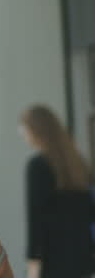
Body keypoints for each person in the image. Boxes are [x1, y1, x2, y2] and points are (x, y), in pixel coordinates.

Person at [20, 104, 94, 278]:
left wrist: (33, 263)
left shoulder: (37, 165)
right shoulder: (77, 164)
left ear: (36, 130)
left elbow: (36, 219)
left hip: (52, 262)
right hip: (82, 261)